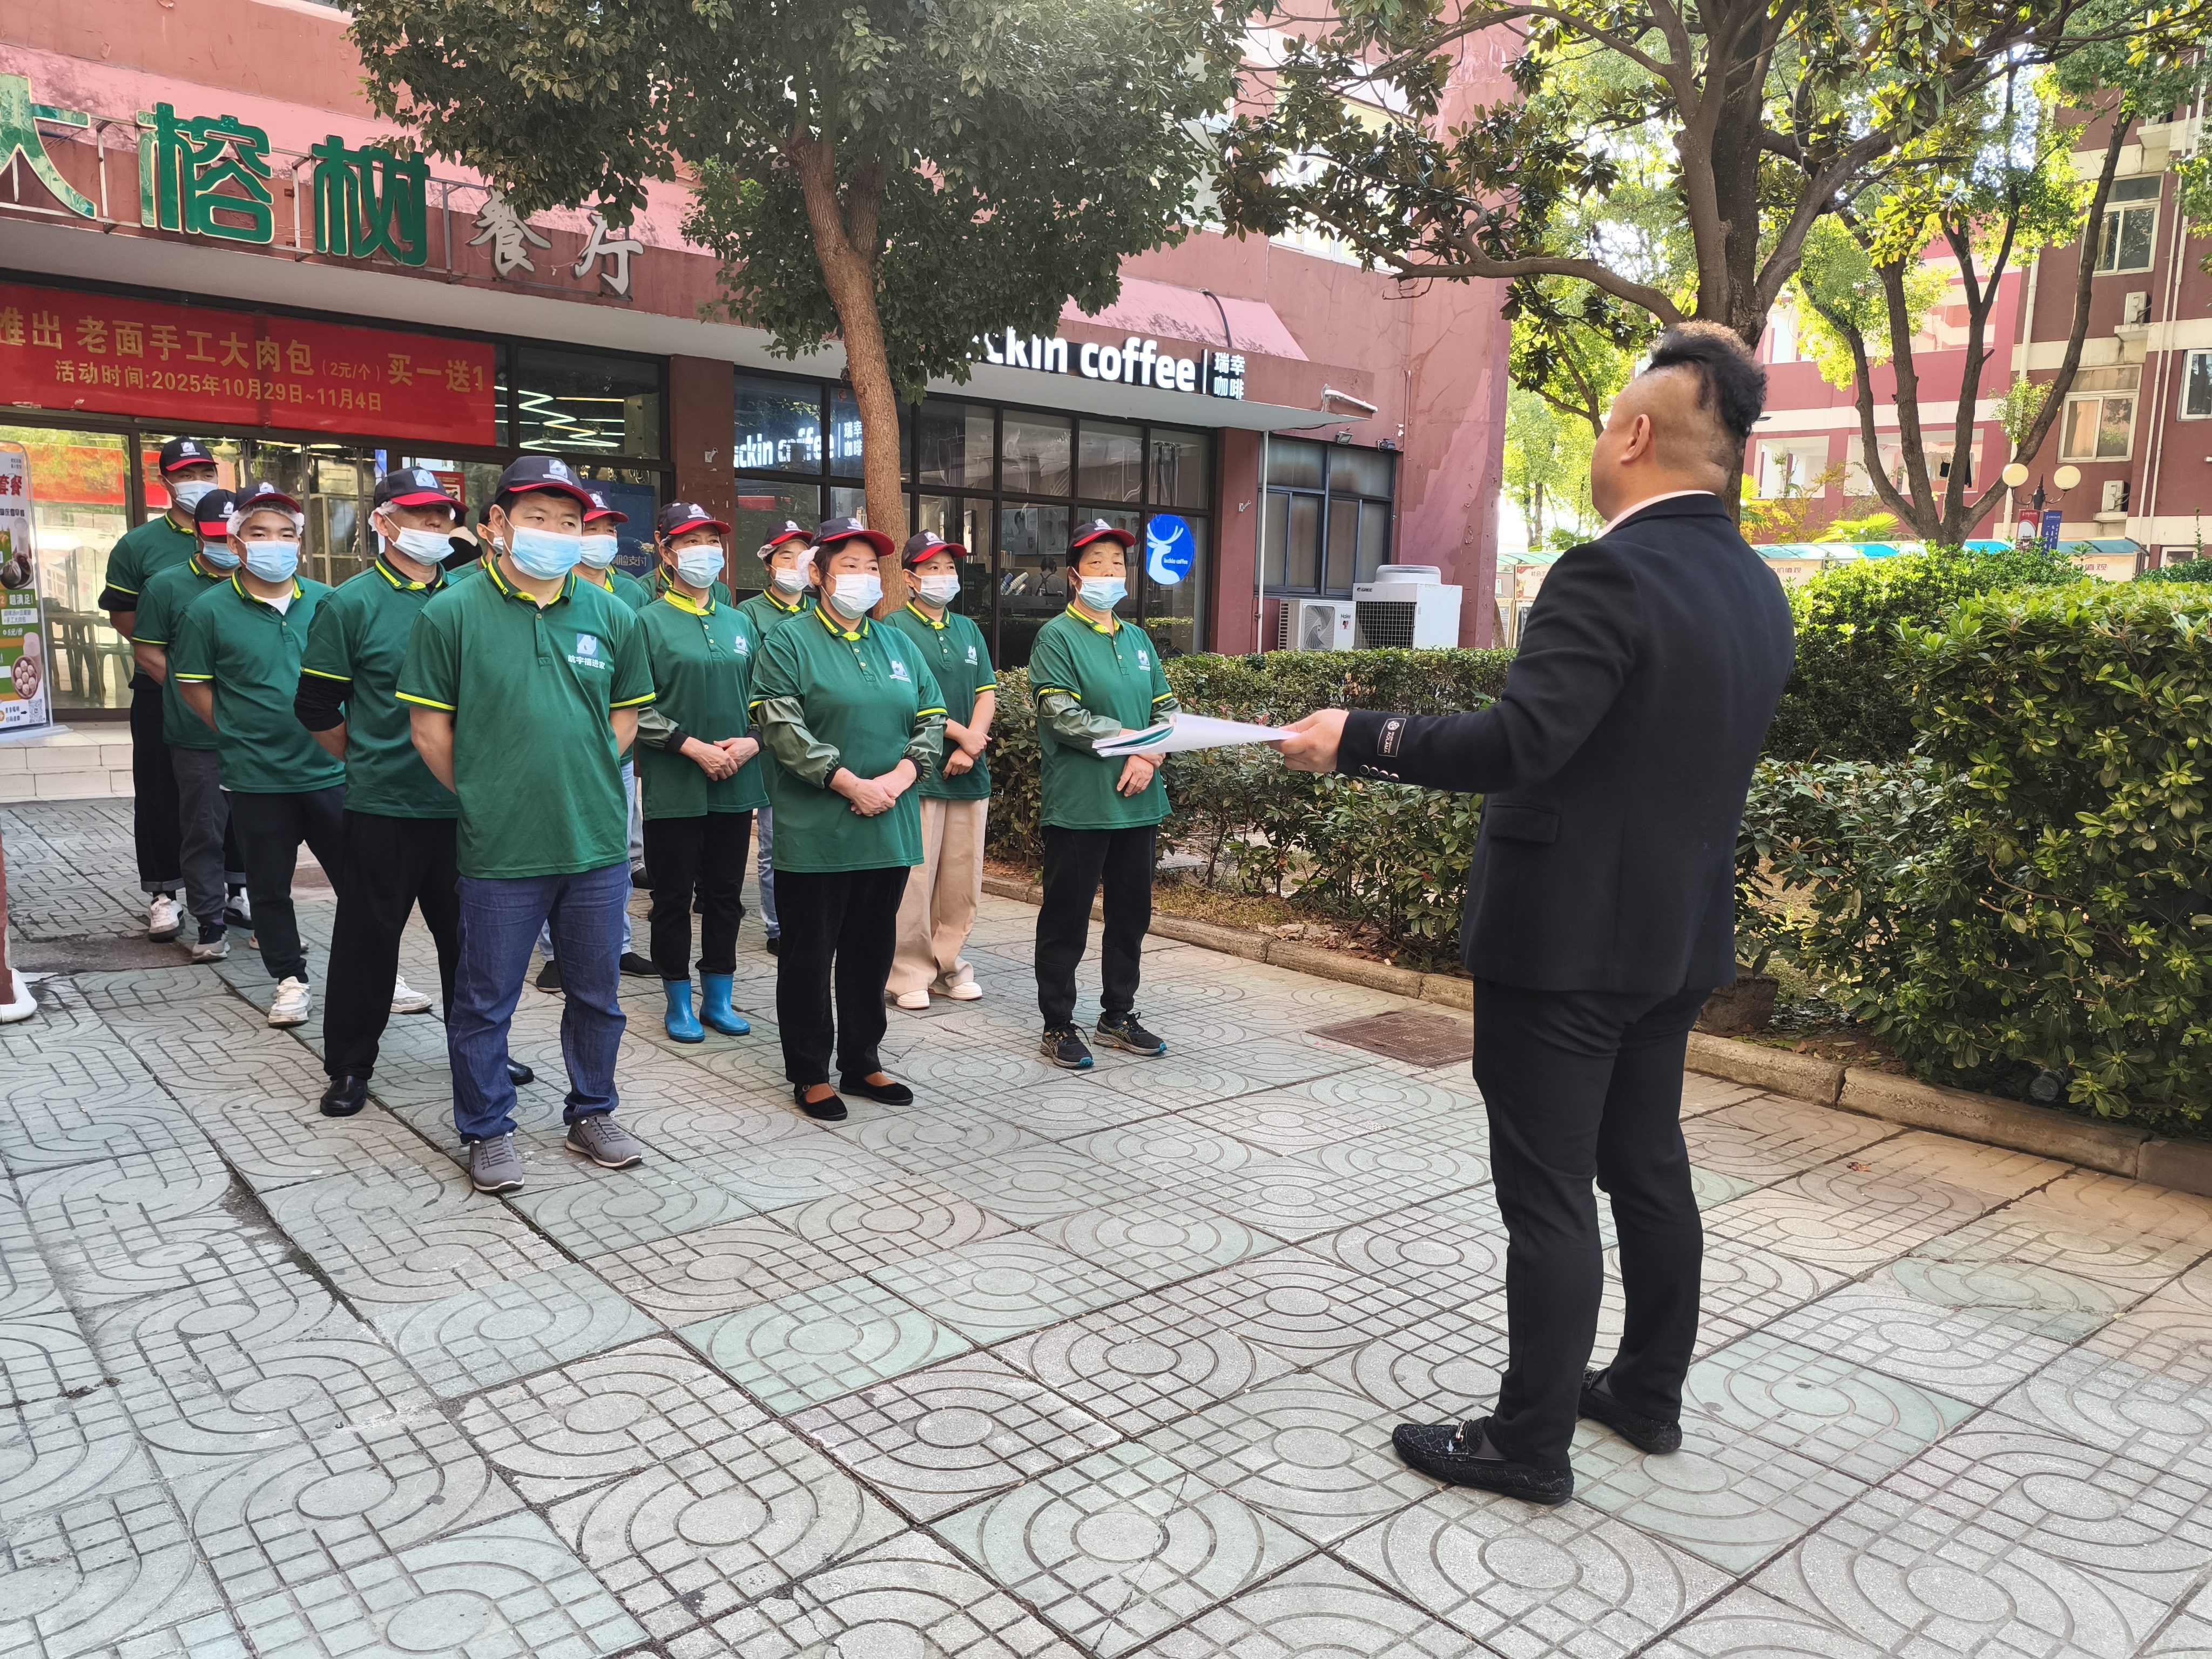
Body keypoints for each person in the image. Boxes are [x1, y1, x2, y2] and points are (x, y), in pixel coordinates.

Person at [1277, 323, 1797, 1506]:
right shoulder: (1754, 589)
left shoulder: (1606, 571)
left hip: (1563, 946)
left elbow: (1521, 744)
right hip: (1673, 941)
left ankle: (1526, 1440)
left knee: (1550, 1193)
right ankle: (1645, 1393)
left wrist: (1359, 736)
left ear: (1634, 434)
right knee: (1646, 1168)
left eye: (1608, 423)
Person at [397, 455, 656, 1196]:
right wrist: (490, 793)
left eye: (568, 521)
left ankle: (593, 1112)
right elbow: (429, 732)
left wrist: (581, 776)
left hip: (595, 843)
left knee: (597, 994)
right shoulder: (451, 613)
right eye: (536, 518)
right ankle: (486, 1127)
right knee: (486, 1000)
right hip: (501, 848)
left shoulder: (612, 614)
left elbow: (626, 717)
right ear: (497, 525)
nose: (553, 532)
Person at [296, 468, 533, 1119]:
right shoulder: (350, 604)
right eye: (418, 514)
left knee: (474, 948)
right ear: (382, 522)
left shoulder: (476, 596)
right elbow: (315, 705)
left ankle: (482, 1053)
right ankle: (350, 1066)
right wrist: (368, 759)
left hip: (468, 807)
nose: (435, 525)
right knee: (367, 943)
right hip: (386, 808)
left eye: (443, 516)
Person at [748, 517, 945, 1121]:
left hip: (888, 826)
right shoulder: (789, 641)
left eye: (870, 566)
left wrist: (900, 778)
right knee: (809, 955)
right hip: (817, 830)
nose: (863, 577)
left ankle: (862, 1061)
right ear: (818, 574)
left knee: (870, 949)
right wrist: (848, 782)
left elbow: (932, 717)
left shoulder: (897, 644)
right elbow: (780, 724)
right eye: (849, 565)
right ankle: (810, 1071)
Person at [168, 482, 346, 1029]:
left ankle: (377, 974)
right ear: (236, 543)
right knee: (269, 888)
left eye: (287, 534)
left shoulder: (330, 602)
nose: (276, 544)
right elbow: (193, 684)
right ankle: (290, 979)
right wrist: (236, 730)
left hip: (332, 771)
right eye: (261, 533)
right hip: (257, 778)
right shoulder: (207, 611)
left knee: (362, 884)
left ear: (300, 543)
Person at [1027, 520, 1177, 1071]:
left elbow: (1166, 709)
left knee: (1131, 915)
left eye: (1118, 562)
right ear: (1074, 575)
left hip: (1139, 800)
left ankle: (1118, 1013)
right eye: (1097, 563)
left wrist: (1150, 756)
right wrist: (1136, 745)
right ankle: (1057, 1023)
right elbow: (1061, 715)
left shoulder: (1136, 639)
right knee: (1066, 919)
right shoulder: (1056, 638)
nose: (1110, 572)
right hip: (1081, 803)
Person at [633, 506, 765, 1041]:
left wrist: (754, 740)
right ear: (666, 552)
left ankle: (719, 996)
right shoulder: (646, 622)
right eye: (691, 542)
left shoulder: (740, 623)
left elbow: (766, 697)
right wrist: (689, 746)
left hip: (735, 780)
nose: (705, 551)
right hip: (674, 782)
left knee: (726, 895)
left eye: (712, 540)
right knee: (671, 897)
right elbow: (633, 705)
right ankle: (678, 1000)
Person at [100, 436, 226, 942]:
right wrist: (180, 674)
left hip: (236, 691)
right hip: (161, 686)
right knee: (160, 789)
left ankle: (236, 888)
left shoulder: (242, 533)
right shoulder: (140, 545)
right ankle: (163, 893)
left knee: (239, 789)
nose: (198, 482)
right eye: (186, 474)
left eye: (206, 472)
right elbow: (126, 618)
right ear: (165, 481)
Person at [532, 488, 654, 987]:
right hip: (551, 755)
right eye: (593, 528)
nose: (602, 538)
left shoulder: (630, 594)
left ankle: (615, 944)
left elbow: (631, 687)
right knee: (551, 850)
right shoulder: (543, 591)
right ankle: (554, 952)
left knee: (612, 854)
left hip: (611, 755)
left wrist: (607, 752)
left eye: (609, 529)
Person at [127, 488, 249, 963]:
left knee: (264, 830)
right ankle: (210, 921)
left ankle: (262, 911)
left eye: (232, 536)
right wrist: (193, 694)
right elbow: (148, 650)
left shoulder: (267, 585)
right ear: (196, 536)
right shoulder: (167, 586)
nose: (225, 545)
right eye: (214, 536)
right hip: (198, 733)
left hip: (260, 735)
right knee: (203, 829)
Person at [885, 530, 994, 1008]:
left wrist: (972, 745)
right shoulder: (893, 628)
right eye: (932, 568)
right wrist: (961, 736)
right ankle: (907, 971)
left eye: (949, 567)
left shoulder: (968, 629)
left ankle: (950, 963)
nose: (944, 576)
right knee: (916, 877)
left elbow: (986, 692)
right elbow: (907, 698)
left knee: (960, 878)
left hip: (970, 772)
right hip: (922, 770)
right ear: (910, 578)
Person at [736, 520, 817, 957]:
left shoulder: (820, 611)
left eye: (804, 556)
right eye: (786, 556)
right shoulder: (749, 615)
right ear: (768, 565)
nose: (796, 564)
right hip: (771, 745)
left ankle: (813, 919)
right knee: (773, 841)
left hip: (819, 742)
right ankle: (778, 925)